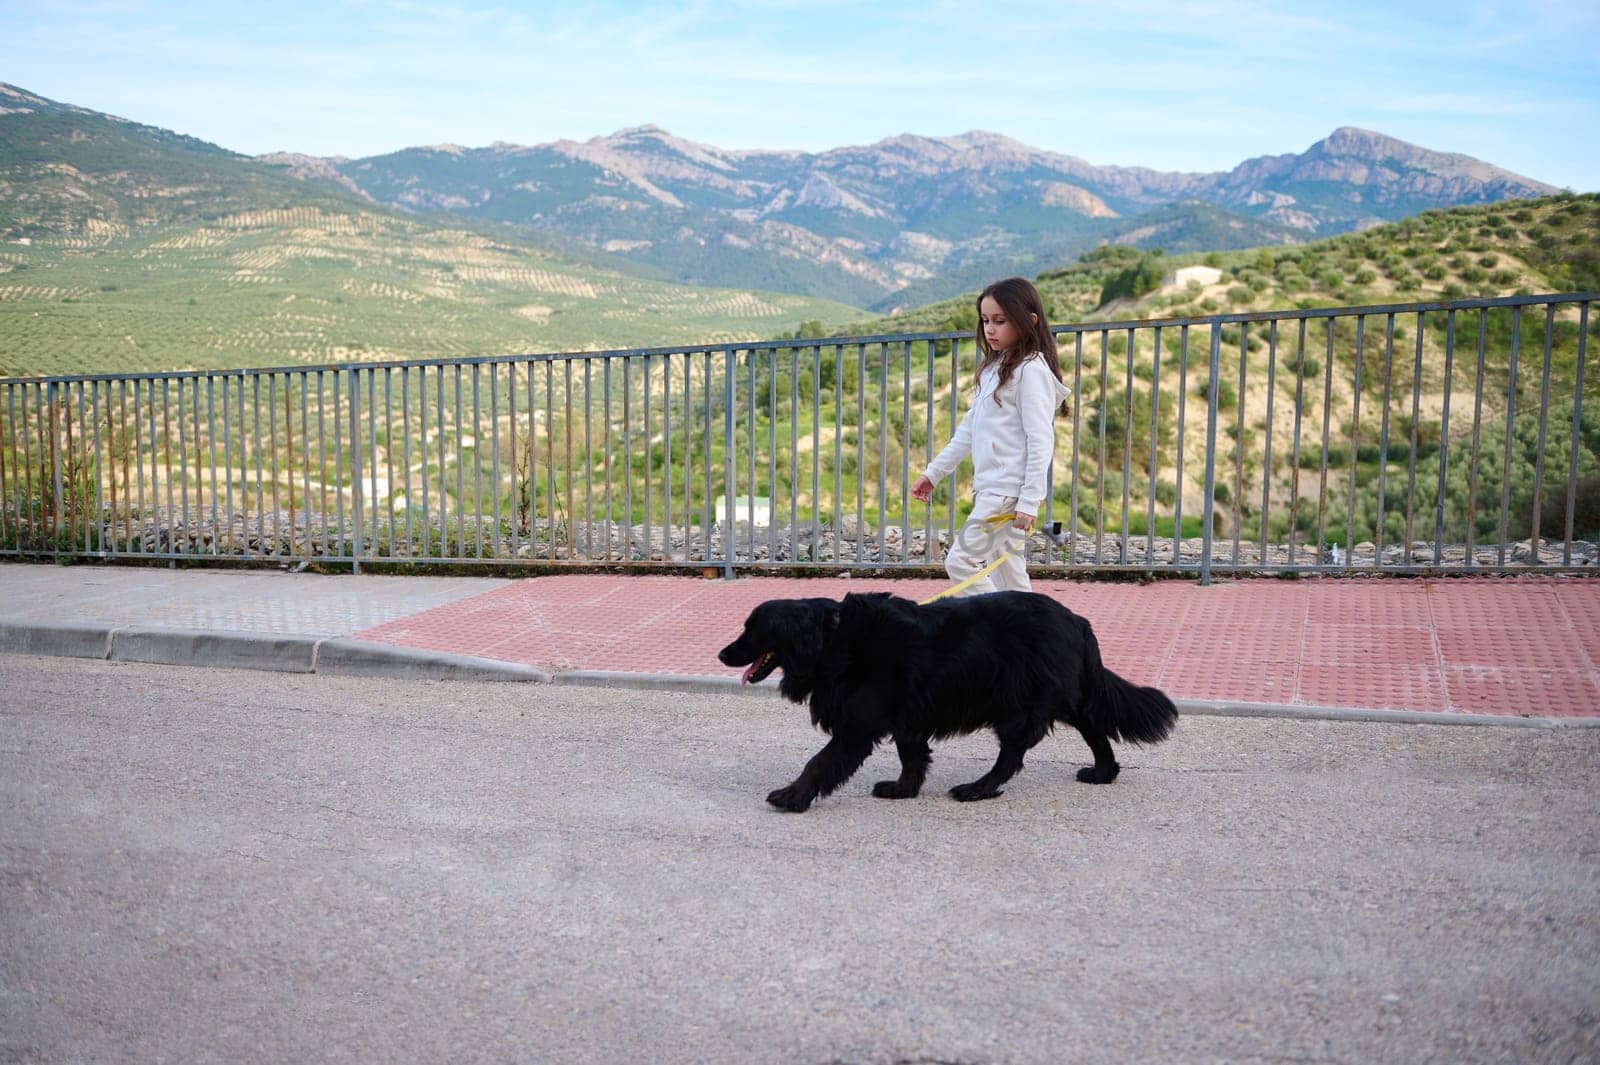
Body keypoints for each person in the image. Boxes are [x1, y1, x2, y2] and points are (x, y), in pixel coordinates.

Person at [911, 277, 1071, 595]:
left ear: (1030, 321)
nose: (990, 329)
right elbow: (969, 431)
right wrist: (934, 473)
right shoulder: (994, 369)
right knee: (1010, 578)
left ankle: (999, 628)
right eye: (985, 320)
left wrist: (1029, 501)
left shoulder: (1031, 371)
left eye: (1000, 321)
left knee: (959, 563)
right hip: (992, 490)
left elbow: (1041, 439)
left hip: (1006, 496)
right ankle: (1031, 639)